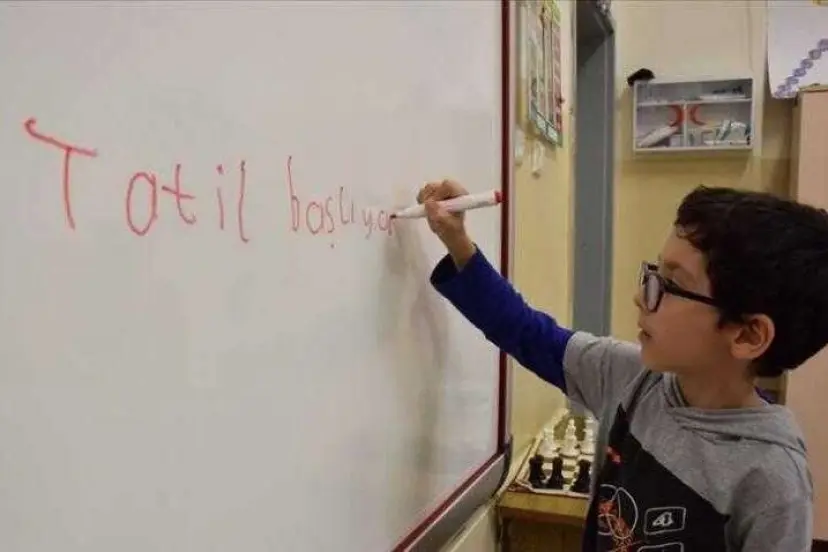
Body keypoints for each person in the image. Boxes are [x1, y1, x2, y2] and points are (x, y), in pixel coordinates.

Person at [418, 180, 828, 552]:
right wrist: (457, 241)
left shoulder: (773, 482)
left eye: (672, 285)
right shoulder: (633, 378)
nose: (640, 296)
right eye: (654, 273)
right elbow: (525, 332)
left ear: (748, 335)